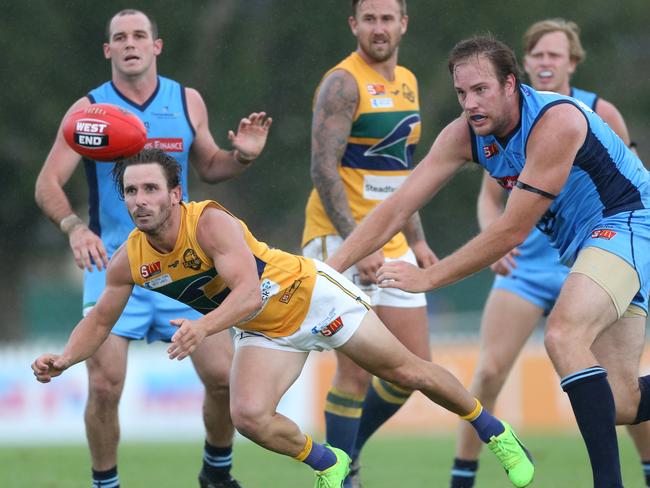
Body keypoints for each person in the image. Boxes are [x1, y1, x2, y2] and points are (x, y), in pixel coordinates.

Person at [32, 149, 535, 488]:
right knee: (247, 416)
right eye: (131, 192)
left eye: (150, 189)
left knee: (407, 371)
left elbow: (248, 292)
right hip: (264, 332)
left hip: (312, 296)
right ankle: (328, 463)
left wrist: (203, 328)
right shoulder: (131, 258)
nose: (140, 201)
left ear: (174, 192)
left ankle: (492, 429)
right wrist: (66, 358)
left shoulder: (208, 222)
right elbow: (99, 321)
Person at [327, 35, 650, 488]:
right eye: (462, 93)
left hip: (631, 222)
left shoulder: (555, 121)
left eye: (481, 90)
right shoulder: (465, 134)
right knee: (618, 402)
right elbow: (399, 207)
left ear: (511, 85)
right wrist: (329, 268)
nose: (470, 103)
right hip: (585, 244)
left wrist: (429, 277)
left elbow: (511, 230)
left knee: (562, 333)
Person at [34, 10, 272, 488]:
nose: (130, 43)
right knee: (104, 384)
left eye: (139, 35)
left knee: (223, 378)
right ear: (108, 51)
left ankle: (216, 473)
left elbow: (210, 165)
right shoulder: (88, 112)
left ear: (156, 46)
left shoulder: (186, 102)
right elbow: (47, 184)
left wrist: (242, 155)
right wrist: (75, 227)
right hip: (115, 264)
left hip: (183, 262)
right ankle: (107, 484)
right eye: (119, 37)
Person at [449, 19, 650, 488]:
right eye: (536, 54)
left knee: (592, 361)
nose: (544, 63)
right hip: (527, 265)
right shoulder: (499, 119)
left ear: (572, 63)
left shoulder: (596, 111)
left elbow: (631, 181)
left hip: (605, 248)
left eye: (554, 55)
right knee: (492, 371)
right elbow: (490, 194)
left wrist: (438, 270)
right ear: (522, 67)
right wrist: (490, 235)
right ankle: (461, 478)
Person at [301, 1, 435, 484]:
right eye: (370, 18)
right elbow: (322, 169)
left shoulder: (410, 81)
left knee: (414, 371)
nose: (379, 28)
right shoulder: (342, 82)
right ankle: (340, 476)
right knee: (356, 374)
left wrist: (417, 240)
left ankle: (344, 454)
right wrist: (361, 242)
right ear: (354, 24)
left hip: (393, 240)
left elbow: (402, 175)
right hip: (340, 238)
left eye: (388, 18)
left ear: (403, 23)